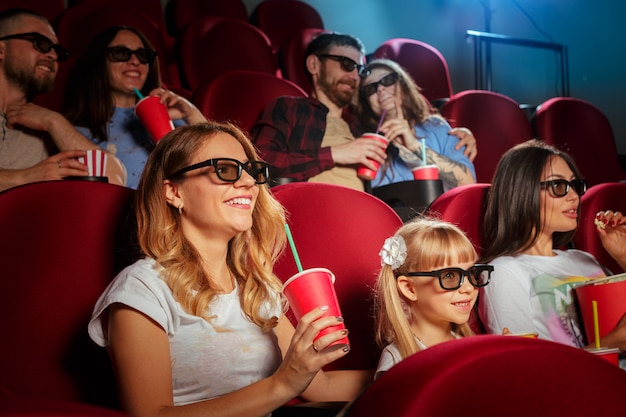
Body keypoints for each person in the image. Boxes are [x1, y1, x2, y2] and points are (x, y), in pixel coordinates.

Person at [87, 122, 372, 417]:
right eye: (224, 169)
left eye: (251, 171)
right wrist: (283, 384)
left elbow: (321, 387)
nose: (249, 182)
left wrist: (407, 364)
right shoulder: (143, 288)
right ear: (174, 192)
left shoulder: (257, 289)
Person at [251, 32, 476, 192]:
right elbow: (258, 165)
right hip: (310, 210)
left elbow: (414, 120)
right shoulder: (291, 109)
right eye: (346, 65)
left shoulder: (361, 127)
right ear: (314, 65)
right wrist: (337, 153)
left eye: (358, 69)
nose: (355, 76)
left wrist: (462, 130)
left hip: (369, 218)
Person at [478, 139, 626, 352]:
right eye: (558, 186)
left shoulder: (583, 259)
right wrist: (611, 344)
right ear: (522, 192)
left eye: (575, 185)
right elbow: (525, 369)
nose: (574, 196)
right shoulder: (504, 272)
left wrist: (623, 255)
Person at [64, 25, 207, 189]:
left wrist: (191, 113)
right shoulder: (76, 132)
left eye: (143, 55)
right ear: (100, 62)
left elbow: (217, 165)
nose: (135, 61)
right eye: (121, 53)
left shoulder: (173, 118)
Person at [0, 8, 126, 191]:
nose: (53, 56)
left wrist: (54, 122)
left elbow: (112, 180)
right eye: (40, 43)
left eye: (57, 50)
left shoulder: (42, 125)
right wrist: (26, 177)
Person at [373, 216, 493, 379]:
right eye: (449, 275)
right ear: (409, 288)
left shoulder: (467, 345)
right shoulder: (397, 361)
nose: (469, 287)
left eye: (472, 273)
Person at [356, 59, 476, 191]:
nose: (380, 89)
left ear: (403, 85)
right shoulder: (369, 144)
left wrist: (414, 146)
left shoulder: (436, 126)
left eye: (388, 80)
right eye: (370, 88)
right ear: (366, 102)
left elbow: (468, 184)